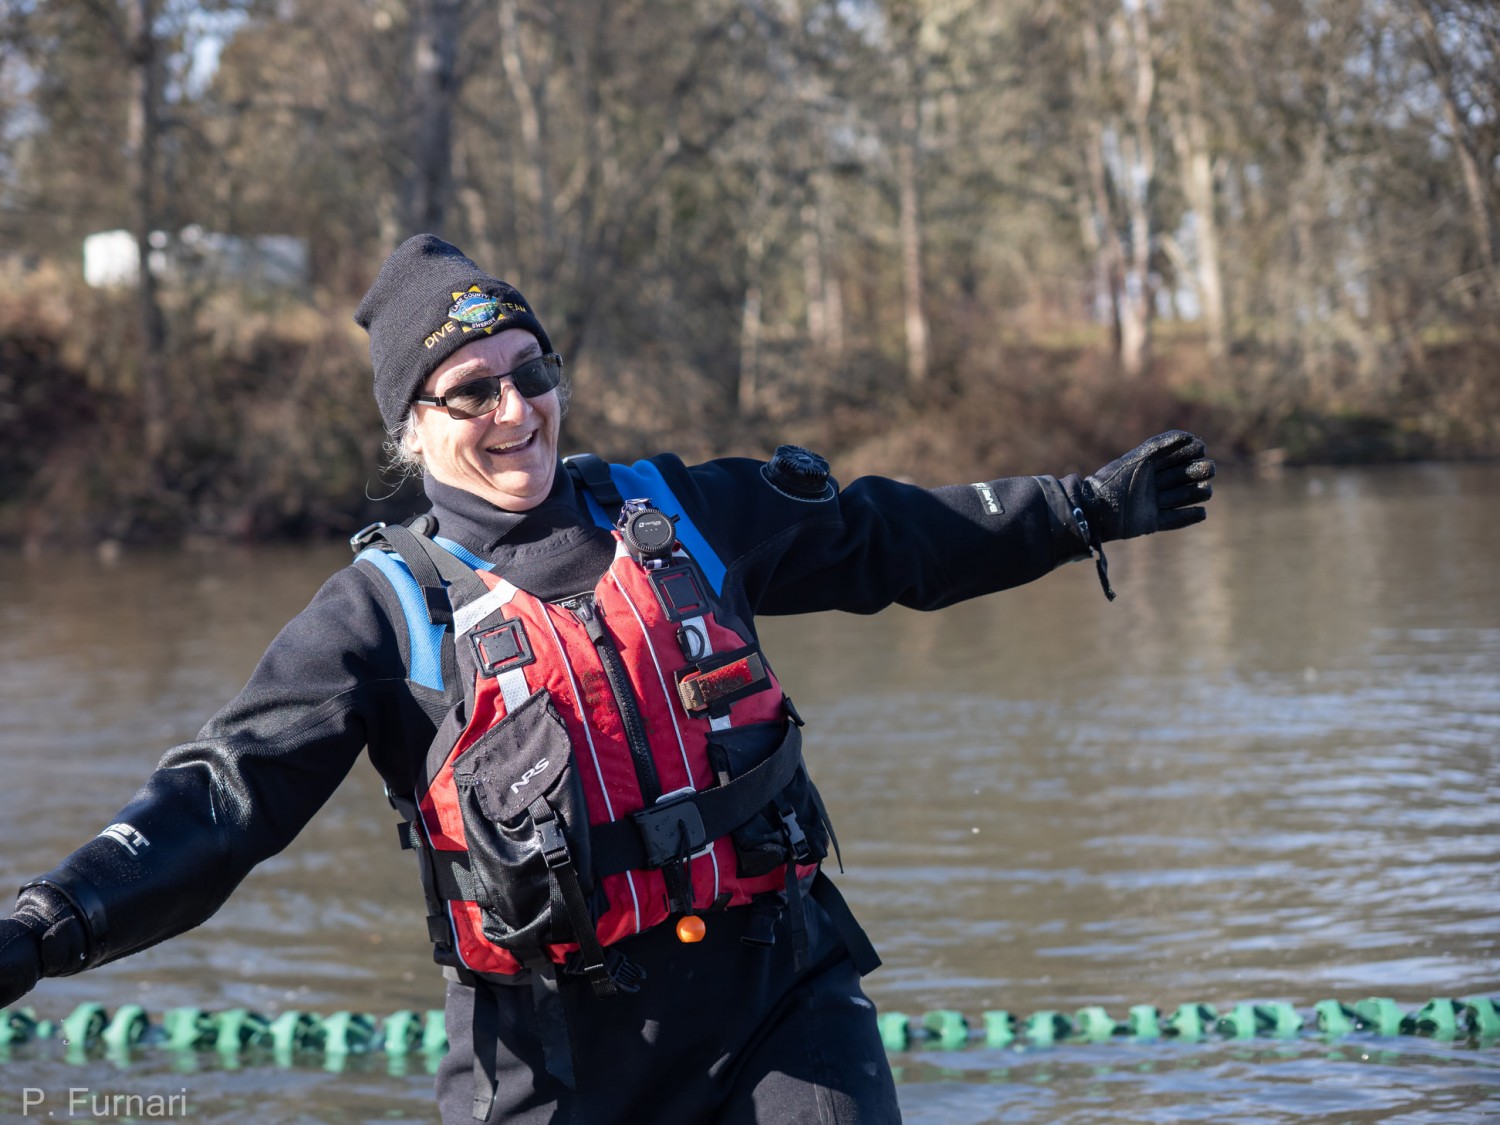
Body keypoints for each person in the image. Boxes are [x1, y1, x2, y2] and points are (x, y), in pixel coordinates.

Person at [0, 234, 1215, 1123]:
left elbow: (884, 539)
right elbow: (223, 798)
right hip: (550, 1055)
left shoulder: (681, 509)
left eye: (533, 371)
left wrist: (1079, 508)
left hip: (777, 992)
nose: (516, 407)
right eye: (472, 389)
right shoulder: (376, 618)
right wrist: (47, 926)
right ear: (412, 428)